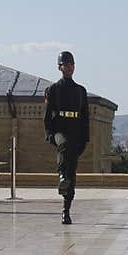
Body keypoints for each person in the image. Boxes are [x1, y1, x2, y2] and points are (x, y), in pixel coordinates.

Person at [43, 51, 90, 225]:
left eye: (71, 65)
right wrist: (49, 135)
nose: (68, 68)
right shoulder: (53, 90)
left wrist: (85, 138)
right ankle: (61, 175)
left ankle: (66, 209)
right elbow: (48, 116)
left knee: (72, 172)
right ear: (60, 67)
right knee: (64, 145)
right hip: (60, 129)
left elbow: (85, 117)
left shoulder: (80, 90)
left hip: (75, 131)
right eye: (65, 65)